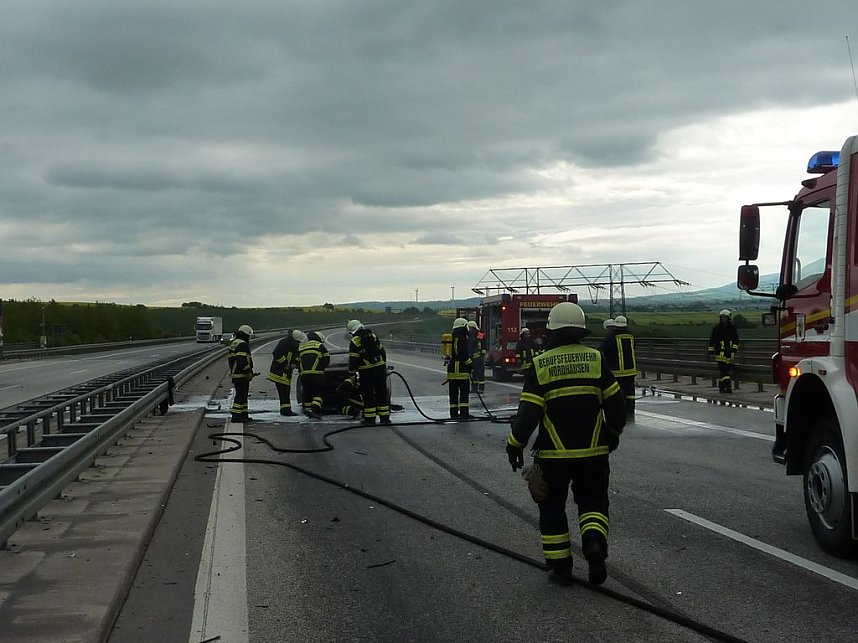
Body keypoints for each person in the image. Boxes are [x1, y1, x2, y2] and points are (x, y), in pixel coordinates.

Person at [506, 302, 626, 586]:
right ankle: (594, 543)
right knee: (593, 503)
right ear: (581, 330)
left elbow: (527, 416)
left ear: (552, 331)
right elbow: (617, 406)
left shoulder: (540, 365)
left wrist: (514, 445)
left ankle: (560, 567)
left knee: (551, 508)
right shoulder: (596, 359)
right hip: (594, 453)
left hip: (554, 456)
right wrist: (612, 432)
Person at [347, 319, 391, 425]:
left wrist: (351, 373)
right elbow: (382, 352)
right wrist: (383, 366)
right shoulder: (373, 336)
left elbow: (354, 359)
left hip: (366, 372)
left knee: (368, 396)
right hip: (379, 370)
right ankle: (385, 419)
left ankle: (370, 420)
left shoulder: (354, 341)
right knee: (382, 393)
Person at [600, 314, 638, 420]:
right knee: (630, 391)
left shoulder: (611, 337)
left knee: (619, 391)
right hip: (631, 369)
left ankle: (620, 410)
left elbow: (602, 350)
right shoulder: (631, 335)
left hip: (617, 371)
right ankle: (630, 410)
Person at [266, 329, 306, 416]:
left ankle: (286, 410)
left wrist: (296, 364)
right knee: (284, 391)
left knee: (285, 391)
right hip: (279, 372)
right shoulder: (284, 343)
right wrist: (285, 364)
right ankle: (286, 411)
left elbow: (296, 357)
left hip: (286, 372)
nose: (299, 343)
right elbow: (276, 353)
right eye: (298, 341)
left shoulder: (294, 345)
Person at [298, 331, 330, 419]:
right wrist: (321, 368)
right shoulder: (319, 346)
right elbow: (326, 358)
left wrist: (301, 370)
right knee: (319, 391)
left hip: (304, 375)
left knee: (307, 392)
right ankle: (315, 408)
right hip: (317, 374)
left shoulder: (302, 347)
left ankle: (307, 410)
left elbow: (297, 360)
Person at [228, 324, 256, 423]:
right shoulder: (242, 345)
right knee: (240, 396)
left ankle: (243, 415)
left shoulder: (235, 343)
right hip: (241, 374)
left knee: (243, 396)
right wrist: (248, 371)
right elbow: (242, 361)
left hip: (236, 374)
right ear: (246, 335)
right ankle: (236, 416)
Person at [708, 309, 740, 393]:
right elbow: (712, 340)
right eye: (722, 317)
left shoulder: (732, 328)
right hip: (720, 353)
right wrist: (711, 351)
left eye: (725, 317)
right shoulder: (717, 328)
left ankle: (721, 387)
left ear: (728, 318)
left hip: (729, 353)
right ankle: (728, 387)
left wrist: (733, 350)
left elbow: (736, 340)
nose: (723, 319)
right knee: (724, 371)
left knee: (724, 372)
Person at [447, 317, 473, 419]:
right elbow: (463, 355)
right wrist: (470, 364)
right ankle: (464, 413)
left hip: (452, 370)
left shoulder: (452, 338)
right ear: (463, 327)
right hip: (461, 371)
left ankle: (453, 414)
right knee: (464, 393)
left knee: (453, 394)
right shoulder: (461, 339)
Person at [467, 320, 486, 393]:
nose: (470, 329)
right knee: (474, 375)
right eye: (469, 328)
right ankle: (474, 389)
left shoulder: (480, 335)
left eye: (471, 328)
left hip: (479, 359)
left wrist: (481, 355)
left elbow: (484, 346)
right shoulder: (468, 336)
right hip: (472, 358)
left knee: (480, 374)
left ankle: (481, 389)